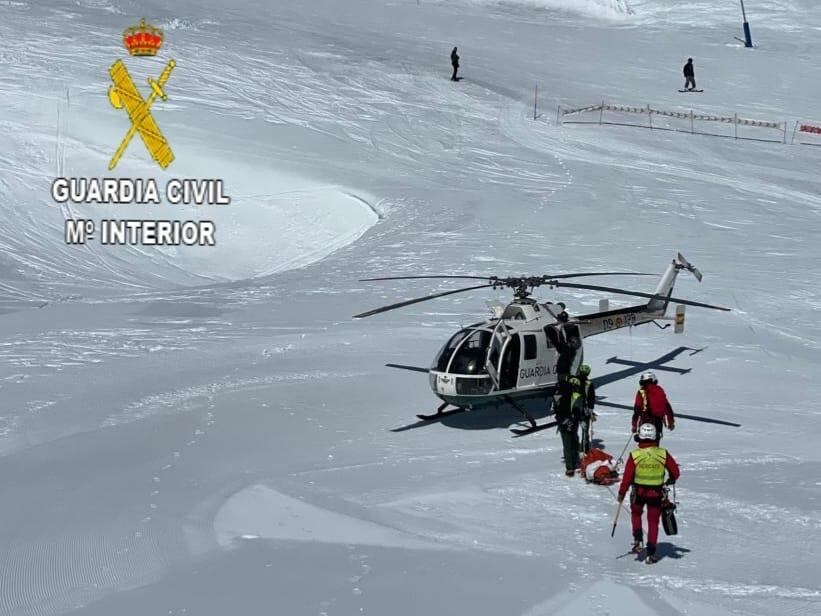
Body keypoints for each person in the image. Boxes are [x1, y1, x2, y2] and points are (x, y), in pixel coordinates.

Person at [617, 423, 681, 564]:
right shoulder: (662, 453)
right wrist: (670, 479)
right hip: (656, 494)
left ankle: (638, 540)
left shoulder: (635, 455)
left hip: (638, 493)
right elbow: (675, 472)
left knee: (636, 514)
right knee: (653, 522)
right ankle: (651, 554)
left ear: (639, 437)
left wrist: (621, 493)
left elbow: (627, 477)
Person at [553, 377, 584, 476]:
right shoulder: (576, 396)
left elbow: (555, 409)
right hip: (572, 422)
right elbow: (578, 410)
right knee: (574, 441)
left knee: (567, 445)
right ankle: (574, 463)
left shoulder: (558, 396)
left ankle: (570, 467)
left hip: (562, 422)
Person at [632, 371, 675, 438]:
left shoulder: (641, 392)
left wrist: (634, 426)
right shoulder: (660, 390)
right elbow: (667, 407)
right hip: (658, 423)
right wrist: (671, 422)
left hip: (645, 423)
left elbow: (637, 410)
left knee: (644, 444)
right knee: (655, 444)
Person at [577, 364, 597, 453]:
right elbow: (591, 399)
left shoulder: (572, 381)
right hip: (584, 410)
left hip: (573, 410)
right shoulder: (589, 384)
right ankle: (585, 449)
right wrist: (591, 411)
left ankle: (576, 447)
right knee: (585, 431)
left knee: (573, 430)